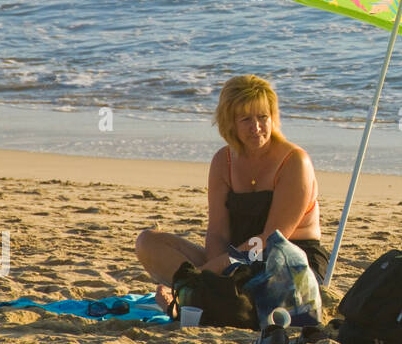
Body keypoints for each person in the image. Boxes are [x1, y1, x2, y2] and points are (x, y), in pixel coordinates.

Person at [135, 75, 325, 313]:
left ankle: (196, 295)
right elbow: (217, 234)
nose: (256, 128)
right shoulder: (223, 160)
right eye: (246, 119)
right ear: (230, 122)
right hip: (237, 259)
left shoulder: (294, 161)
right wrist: (218, 275)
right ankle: (210, 295)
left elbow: (270, 240)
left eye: (263, 117)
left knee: (259, 285)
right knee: (148, 242)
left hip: (286, 261)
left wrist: (203, 275)